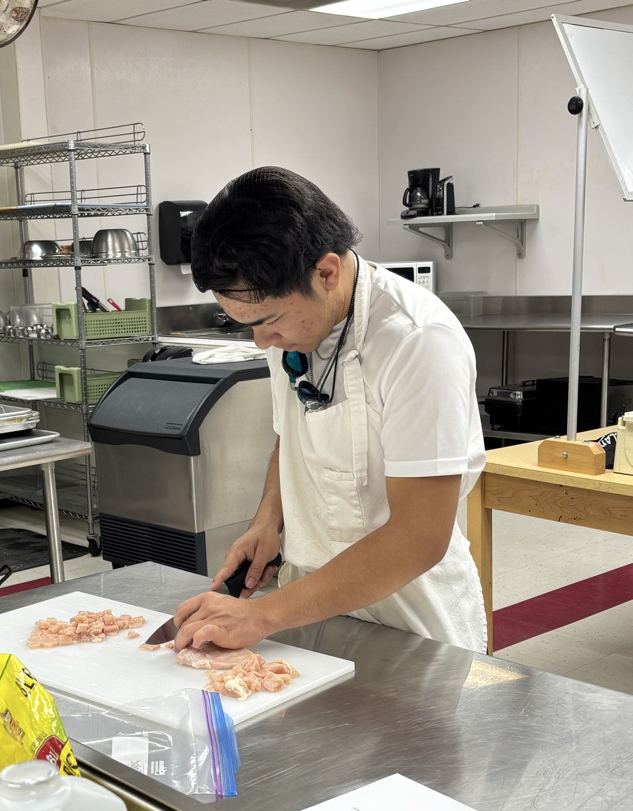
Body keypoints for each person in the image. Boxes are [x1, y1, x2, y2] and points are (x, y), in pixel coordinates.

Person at [172, 166, 487, 653]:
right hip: (308, 609)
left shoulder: (418, 344)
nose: (262, 342)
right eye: (247, 326)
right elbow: (292, 434)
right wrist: (267, 522)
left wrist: (261, 613)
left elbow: (419, 537)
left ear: (326, 272)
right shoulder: (293, 332)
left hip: (410, 624)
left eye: (269, 320)